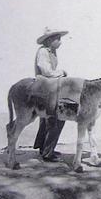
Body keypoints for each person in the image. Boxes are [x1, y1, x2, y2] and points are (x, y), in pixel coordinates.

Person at [33, 27, 68, 162]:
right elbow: (46, 71)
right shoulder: (43, 52)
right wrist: (61, 72)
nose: (60, 42)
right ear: (50, 40)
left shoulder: (51, 52)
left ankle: (45, 148)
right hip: (44, 87)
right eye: (58, 39)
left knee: (47, 119)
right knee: (57, 117)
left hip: (50, 86)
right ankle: (47, 152)